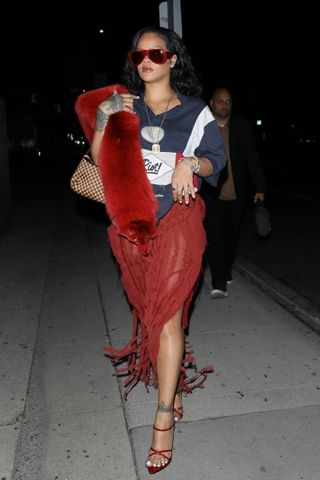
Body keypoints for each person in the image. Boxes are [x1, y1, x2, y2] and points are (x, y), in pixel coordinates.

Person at [75, 26, 226, 474]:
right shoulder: (125, 107)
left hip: (179, 220)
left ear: (173, 60)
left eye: (157, 53)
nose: (147, 60)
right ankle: (171, 382)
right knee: (149, 312)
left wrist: (189, 163)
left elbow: (214, 161)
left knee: (168, 318)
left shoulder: (195, 112)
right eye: (139, 54)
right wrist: (103, 119)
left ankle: (163, 421)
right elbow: (100, 161)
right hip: (132, 224)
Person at [201, 87, 267, 299]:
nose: (224, 104)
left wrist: (260, 188)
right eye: (220, 101)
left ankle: (225, 269)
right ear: (211, 103)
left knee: (231, 236)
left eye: (228, 101)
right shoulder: (202, 125)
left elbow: (252, 159)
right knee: (214, 235)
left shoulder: (242, 127)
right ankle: (219, 283)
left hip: (236, 192)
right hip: (211, 192)